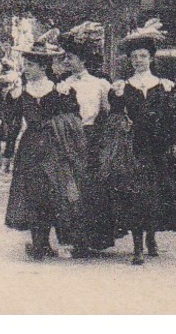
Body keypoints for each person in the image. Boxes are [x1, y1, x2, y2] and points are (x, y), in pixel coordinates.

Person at [103, 20, 176, 264]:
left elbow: (173, 119)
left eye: (143, 56)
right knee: (135, 195)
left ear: (151, 59)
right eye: (134, 57)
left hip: (158, 148)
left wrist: (173, 142)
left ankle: (151, 237)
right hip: (133, 147)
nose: (138, 61)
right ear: (130, 60)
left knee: (156, 194)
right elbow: (115, 116)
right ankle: (137, 247)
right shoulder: (123, 86)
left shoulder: (164, 86)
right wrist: (117, 98)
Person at [3, 34, 93, 260]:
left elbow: (75, 120)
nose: (27, 69)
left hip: (56, 148)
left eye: (31, 65)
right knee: (33, 193)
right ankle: (39, 244)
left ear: (43, 66)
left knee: (56, 192)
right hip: (31, 148)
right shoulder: (19, 93)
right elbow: (13, 125)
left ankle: (56, 241)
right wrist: (6, 154)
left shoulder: (61, 91)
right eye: (26, 65)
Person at [55, 22, 119, 255]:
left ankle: (94, 239)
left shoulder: (99, 84)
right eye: (65, 59)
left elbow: (108, 111)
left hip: (92, 138)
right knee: (72, 187)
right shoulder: (63, 85)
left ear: (82, 60)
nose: (67, 62)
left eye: (70, 58)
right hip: (69, 139)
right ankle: (76, 240)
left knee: (93, 187)